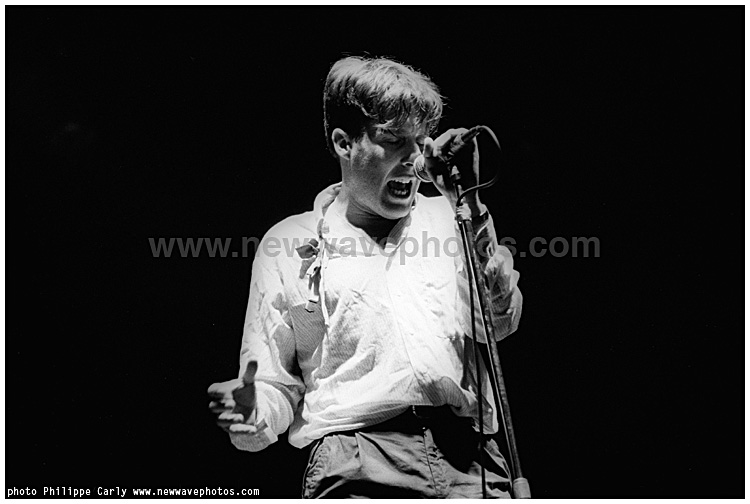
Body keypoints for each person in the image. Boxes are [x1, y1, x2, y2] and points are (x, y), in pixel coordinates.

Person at [208, 56, 523, 498]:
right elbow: (275, 385)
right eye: (393, 140)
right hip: (357, 460)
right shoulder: (288, 242)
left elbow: (499, 322)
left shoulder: (451, 219)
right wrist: (251, 411)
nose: (414, 159)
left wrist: (469, 207)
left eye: (420, 141)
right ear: (343, 143)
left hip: (469, 460)